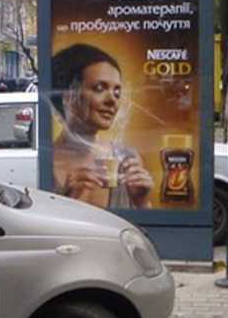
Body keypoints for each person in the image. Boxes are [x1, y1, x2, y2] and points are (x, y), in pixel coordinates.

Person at [51, 44, 153, 209]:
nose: (112, 100)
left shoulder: (127, 159)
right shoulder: (46, 163)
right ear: (69, 97)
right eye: (99, 88)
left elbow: (144, 223)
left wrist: (142, 201)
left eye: (117, 92)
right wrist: (72, 201)